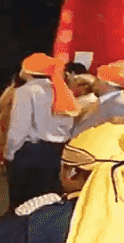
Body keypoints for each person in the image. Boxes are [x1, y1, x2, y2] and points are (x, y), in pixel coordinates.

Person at [4, 53, 78, 209]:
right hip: (56, 152)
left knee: (23, 203)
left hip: (31, 153)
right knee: (47, 201)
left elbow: (19, 127)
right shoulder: (62, 90)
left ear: (27, 71)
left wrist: (10, 153)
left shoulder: (26, 91)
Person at [71, 60, 124, 136]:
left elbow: (115, 135)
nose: (94, 82)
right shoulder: (109, 101)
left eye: (97, 79)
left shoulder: (119, 104)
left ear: (106, 83)